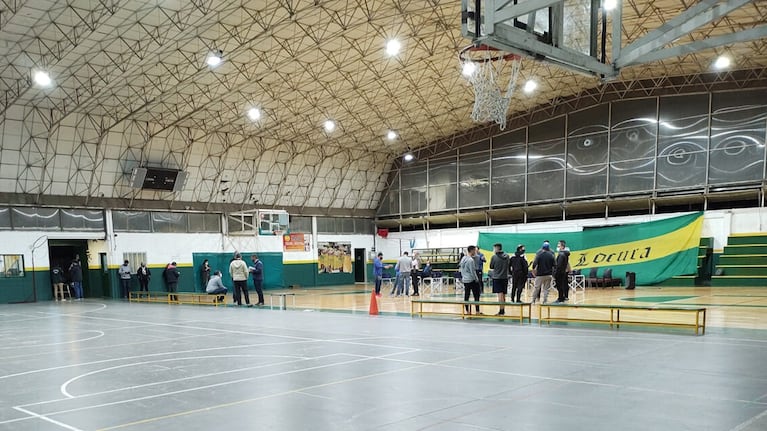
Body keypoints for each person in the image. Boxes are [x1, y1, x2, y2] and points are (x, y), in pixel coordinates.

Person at [489, 243, 510, 315]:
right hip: (505, 277)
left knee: (500, 295)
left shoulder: (494, 257)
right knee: (504, 294)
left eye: (494, 248)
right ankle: (503, 309)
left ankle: (501, 310)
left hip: (497, 277)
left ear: (496, 248)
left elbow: (491, 266)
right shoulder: (507, 256)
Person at [460, 246, 482, 314]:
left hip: (465, 279)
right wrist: (476, 279)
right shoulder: (471, 260)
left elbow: (461, 269)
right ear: (472, 251)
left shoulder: (463, 258)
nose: (475, 252)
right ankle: (477, 311)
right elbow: (473, 271)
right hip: (471, 280)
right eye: (475, 250)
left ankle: (467, 311)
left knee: (467, 295)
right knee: (476, 295)